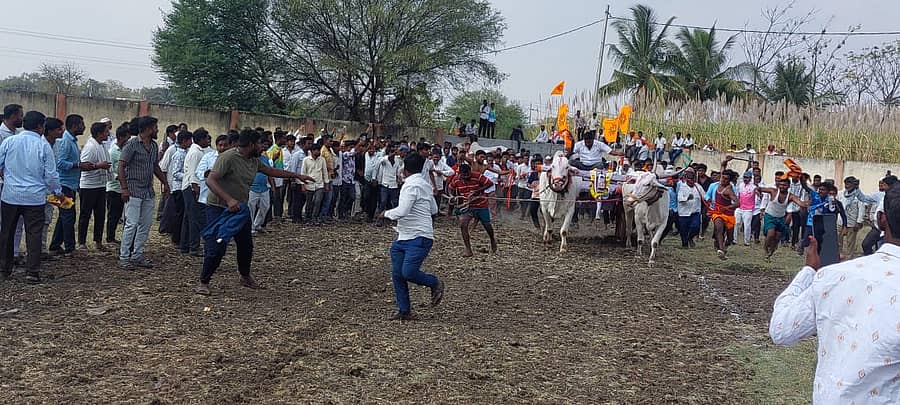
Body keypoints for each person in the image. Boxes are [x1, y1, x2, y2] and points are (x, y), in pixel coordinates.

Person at [769, 182, 900, 405]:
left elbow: (781, 329)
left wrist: (809, 272)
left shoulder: (833, 276)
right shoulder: (831, 276)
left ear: (880, 219)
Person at [196, 130, 312, 295]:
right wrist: (229, 200)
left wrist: (297, 175)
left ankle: (245, 277)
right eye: (260, 143)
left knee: (246, 245)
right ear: (251, 144)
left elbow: (271, 171)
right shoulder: (228, 157)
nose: (263, 147)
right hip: (219, 208)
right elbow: (210, 180)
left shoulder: (254, 160)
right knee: (217, 245)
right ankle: (203, 282)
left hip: (240, 210)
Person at [378, 153, 444, 321]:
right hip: (408, 236)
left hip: (416, 236)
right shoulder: (425, 185)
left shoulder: (410, 186)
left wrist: (385, 213)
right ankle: (404, 310)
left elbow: (402, 211)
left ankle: (434, 282)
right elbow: (434, 210)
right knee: (398, 274)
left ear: (405, 170)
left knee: (407, 272)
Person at [0, 111, 63, 283]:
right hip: (34, 198)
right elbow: (50, 174)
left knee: (7, 232)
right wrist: (57, 192)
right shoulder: (43, 146)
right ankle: (32, 272)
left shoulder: (9, 142)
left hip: (11, 195)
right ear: (40, 126)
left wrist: (7, 178)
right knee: (34, 234)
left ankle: (4, 269)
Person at [118, 116, 170, 269]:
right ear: (148, 129)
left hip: (147, 190)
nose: (157, 130)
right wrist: (124, 188)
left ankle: (137, 254)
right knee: (131, 224)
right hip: (133, 190)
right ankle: (124, 257)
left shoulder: (153, 146)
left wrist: (165, 182)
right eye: (155, 127)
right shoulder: (132, 145)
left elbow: (155, 166)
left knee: (145, 224)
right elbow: (121, 166)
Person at [50, 114, 92, 256]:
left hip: (70, 185)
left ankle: (55, 245)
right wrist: (78, 165)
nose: (84, 127)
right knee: (68, 216)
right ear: (74, 126)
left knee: (65, 215)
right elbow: (60, 163)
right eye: (81, 124)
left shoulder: (72, 140)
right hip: (63, 186)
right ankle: (70, 248)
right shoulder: (65, 141)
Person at [447, 164, 497, 257]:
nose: (466, 177)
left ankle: (492, 239)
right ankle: (468, 250)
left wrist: (477, 191)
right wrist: (452, 196)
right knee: (463, 224)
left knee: (487, 225)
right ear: (460, 174)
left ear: (470, 172)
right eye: (464, 175)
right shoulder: (456, 179)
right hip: (467, 206)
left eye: (468, 175)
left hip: (481, 204)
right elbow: (450, 188)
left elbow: (490, 183)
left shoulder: (478, 176)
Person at [77, 122, 113, 251]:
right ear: (99, 134)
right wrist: (98, 166)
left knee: (100, 215)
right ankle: (81, 242)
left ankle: (98, 241)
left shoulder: (102, 146)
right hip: (88, 186)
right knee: (85, 214)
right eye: (106, 132)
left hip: (101, 184)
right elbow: (83, 166)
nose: (108, 134)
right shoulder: (90, 147)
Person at [757, 178, 809, 259]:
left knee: (777, 237)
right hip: (770, 216)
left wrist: (809, 203)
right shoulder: (773, 191)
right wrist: (757, 191)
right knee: (770, 234)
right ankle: (766, 250)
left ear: (788, 186)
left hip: (780, 218)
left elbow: (801, 203)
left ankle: (771, 252)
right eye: (781, 185)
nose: (782, 186)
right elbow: (759, 188)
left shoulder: (790, 196)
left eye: (784, 185)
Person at [181, 129, 210, 256]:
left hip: (189, 187)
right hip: (192, 188)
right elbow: (193, 173)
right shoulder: (196, 153)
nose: (208, 141)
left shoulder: (196, 151)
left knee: (188, 218)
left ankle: (185, 246)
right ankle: (194, 246)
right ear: (201, 139)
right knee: (194, 218)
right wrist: (196, 189)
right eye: (206, 138)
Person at [105, 124, 130, 246]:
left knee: (119, 213)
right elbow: (109, 169)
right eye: (127, 137)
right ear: (121, 137)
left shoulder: (125, 150)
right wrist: (118, 177)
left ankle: (114, 237)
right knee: (113, 215)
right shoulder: (112, 152)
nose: (128, 140)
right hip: (113, 188)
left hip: (123, 187)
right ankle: (110, 238)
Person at [838, 176, 874, 259]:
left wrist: (858, 222)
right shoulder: (840, 193)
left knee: (850, 243)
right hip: (840, 222)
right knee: (838, 242)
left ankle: (849, 258)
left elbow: (861, 209)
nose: (847, 186)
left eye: (849, 184)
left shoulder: (858, 195)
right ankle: (838, 257)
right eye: (846, 184)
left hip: (852, 223)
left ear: (853, 185)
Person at [711, 158, 739, 260]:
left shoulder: (728, 190)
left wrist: (727, 207)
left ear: (729, 180)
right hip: (718, 213)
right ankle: (721, 250)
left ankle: (724, 246)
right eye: (722, 177)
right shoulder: (719, 182)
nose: (723, 179)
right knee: (719, 228)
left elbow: (738, 203)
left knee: (730, 238)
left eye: (726, 179)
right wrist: (726, 160)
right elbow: (722, 166)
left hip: (728, 215)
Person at [862, 176, 898, 255]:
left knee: (885, 250)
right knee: (866, 244)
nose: (882, 186)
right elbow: (864, 198)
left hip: (889, 229)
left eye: (884, 184)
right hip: (878, 227)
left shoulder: (895, 197)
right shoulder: (882, 195)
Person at [299, 143, 329, 225]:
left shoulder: (322, 160)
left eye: (318, 150)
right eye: (316, 150)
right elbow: (303, 173)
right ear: (312, 151)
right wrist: (303, 185)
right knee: (309, 202)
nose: (318, 152)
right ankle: (307, 218)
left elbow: (325, 172)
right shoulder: (306, 160)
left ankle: (314, 218)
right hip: (309, 184)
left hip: (319, 184)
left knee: (317, 201)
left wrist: (326, 184)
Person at [676, 169, 703, 248]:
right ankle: (684, 244)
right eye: (689, 178)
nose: (691, 180)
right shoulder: (682, 186)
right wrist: (687, 198)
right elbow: (679, 198)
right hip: (684, 212)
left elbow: (705, 196)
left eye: (693, 178)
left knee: (696, 227)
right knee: (683, 229)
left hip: (695, 212)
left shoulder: (698, 187)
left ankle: (690, 238)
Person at [734, 170, 757, 246]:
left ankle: (747, 241)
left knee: (747, 225)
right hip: (739, 207)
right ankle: (734, 239)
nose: (745, 179)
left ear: (750, 178)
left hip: (748, 209)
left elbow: (758, 195)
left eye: (747, 177)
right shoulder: (740, 185)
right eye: (744, 177)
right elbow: (738, 195)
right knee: (736, 223)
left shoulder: (754, 187)